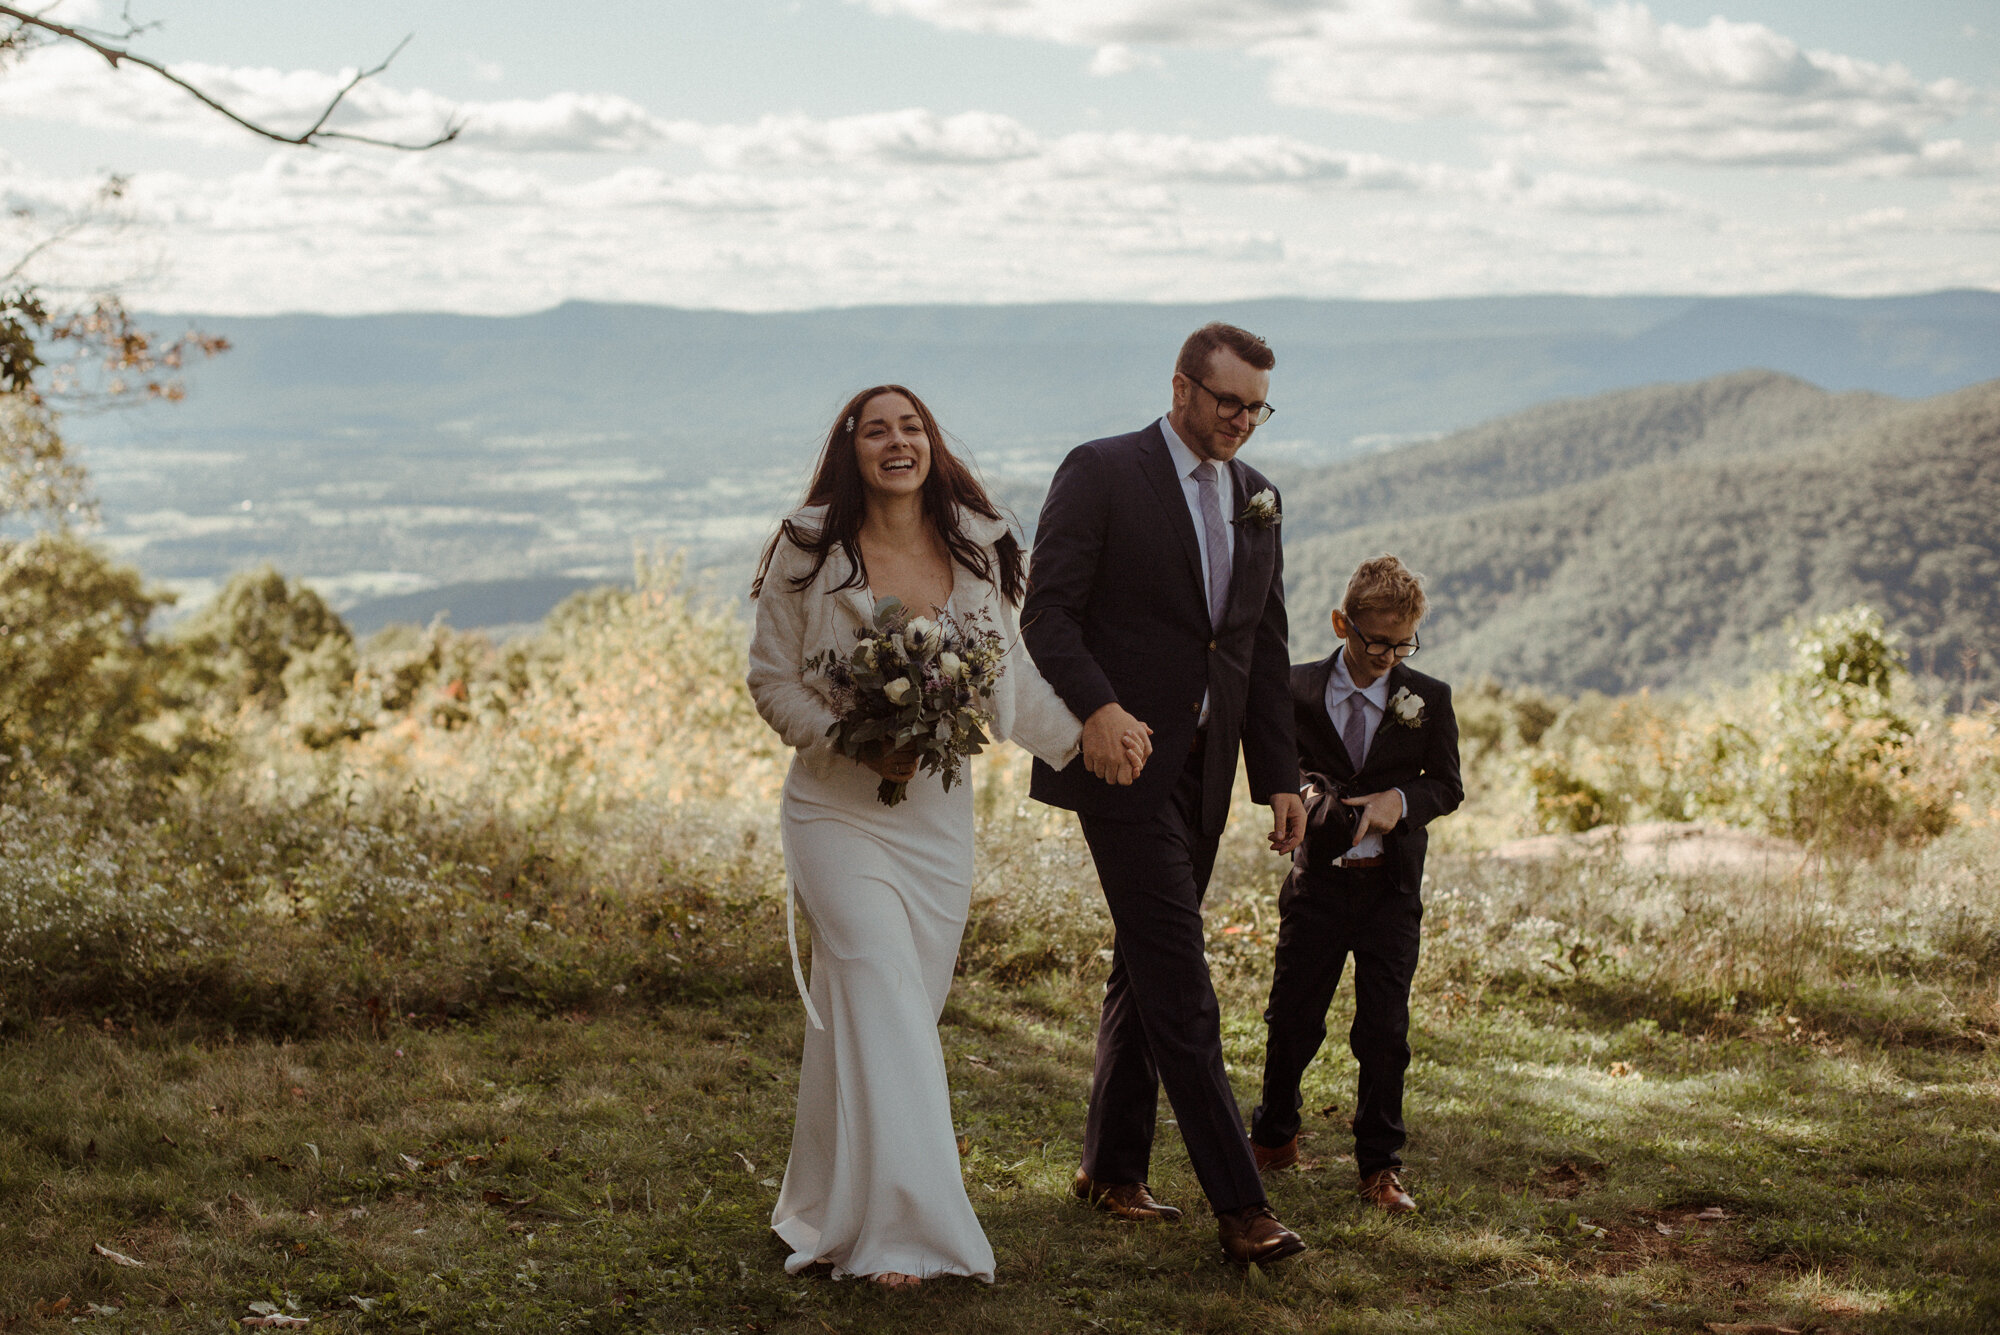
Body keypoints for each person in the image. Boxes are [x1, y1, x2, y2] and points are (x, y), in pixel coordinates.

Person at [747, 385, 1144, 1288]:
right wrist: (850, 734)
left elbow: (1014, 682)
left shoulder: (977, 546)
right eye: (877, 428)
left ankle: (820, 1204)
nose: (898, 440)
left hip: (935, 824)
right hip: (834, 813)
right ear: (851, 449)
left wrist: (1089, 731)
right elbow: (771, 681)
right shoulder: (808, 549)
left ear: (931, 445)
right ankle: (904, 1234)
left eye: (912, 426)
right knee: (882, 991)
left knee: (883, 1013)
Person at [1022, 322, 1310, 1266]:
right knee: (1181, 984)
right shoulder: (1102, 470)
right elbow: (1048, 614)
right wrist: (1097, 710)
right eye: (1227, 401)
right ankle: (1242, 1206)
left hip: (1209, 769)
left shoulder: (1260, 498)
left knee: (1143, 961)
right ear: (1182, 386)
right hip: (1119, 762)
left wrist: (1279, 778)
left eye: (1256, 407)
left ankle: (1111, 1167)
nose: (1240, 421)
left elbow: (1260, 648)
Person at [1248, 554, 1463, 1213]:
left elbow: (1448, 785)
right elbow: (1279, 763)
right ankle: (1274, 1134)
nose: (1388, 657)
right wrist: (1307, 793)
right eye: (1376, 641)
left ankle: (1379, 1165)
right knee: (1292, 1016)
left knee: (1384, 1029)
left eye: (1403, 644)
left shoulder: (1428, 697)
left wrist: (1402, 797)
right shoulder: (1295, 688)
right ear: (1343, 622)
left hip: (1390, 891)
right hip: (1318, 886)